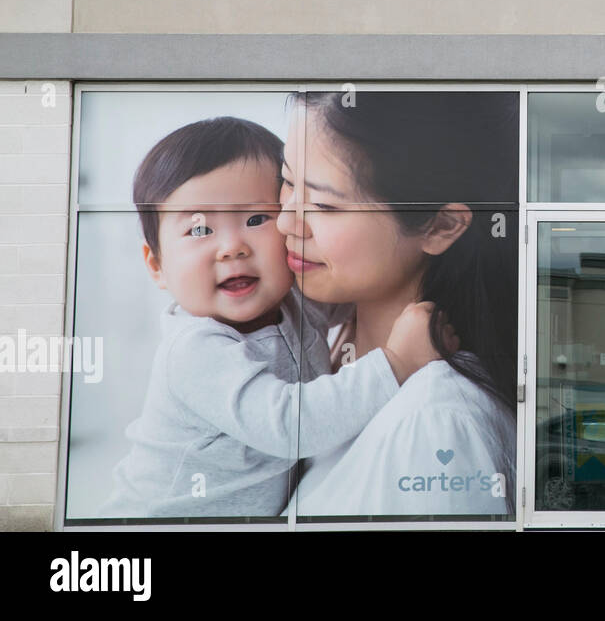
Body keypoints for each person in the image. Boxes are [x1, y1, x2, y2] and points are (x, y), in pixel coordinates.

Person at [100, 117, 436, 518]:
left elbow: (358, 292)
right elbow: (291, 426)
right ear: (156, 265)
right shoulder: (194, 351)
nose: (232, 248)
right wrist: (396, 363)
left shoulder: (291, 303)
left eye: (256, 219)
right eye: (199, 229)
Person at [277, 90, 518, 517]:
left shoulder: (438, 423)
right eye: (288, 181)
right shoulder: (318, 341)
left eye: (324, 205)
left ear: (442, 225)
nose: (285, 221)